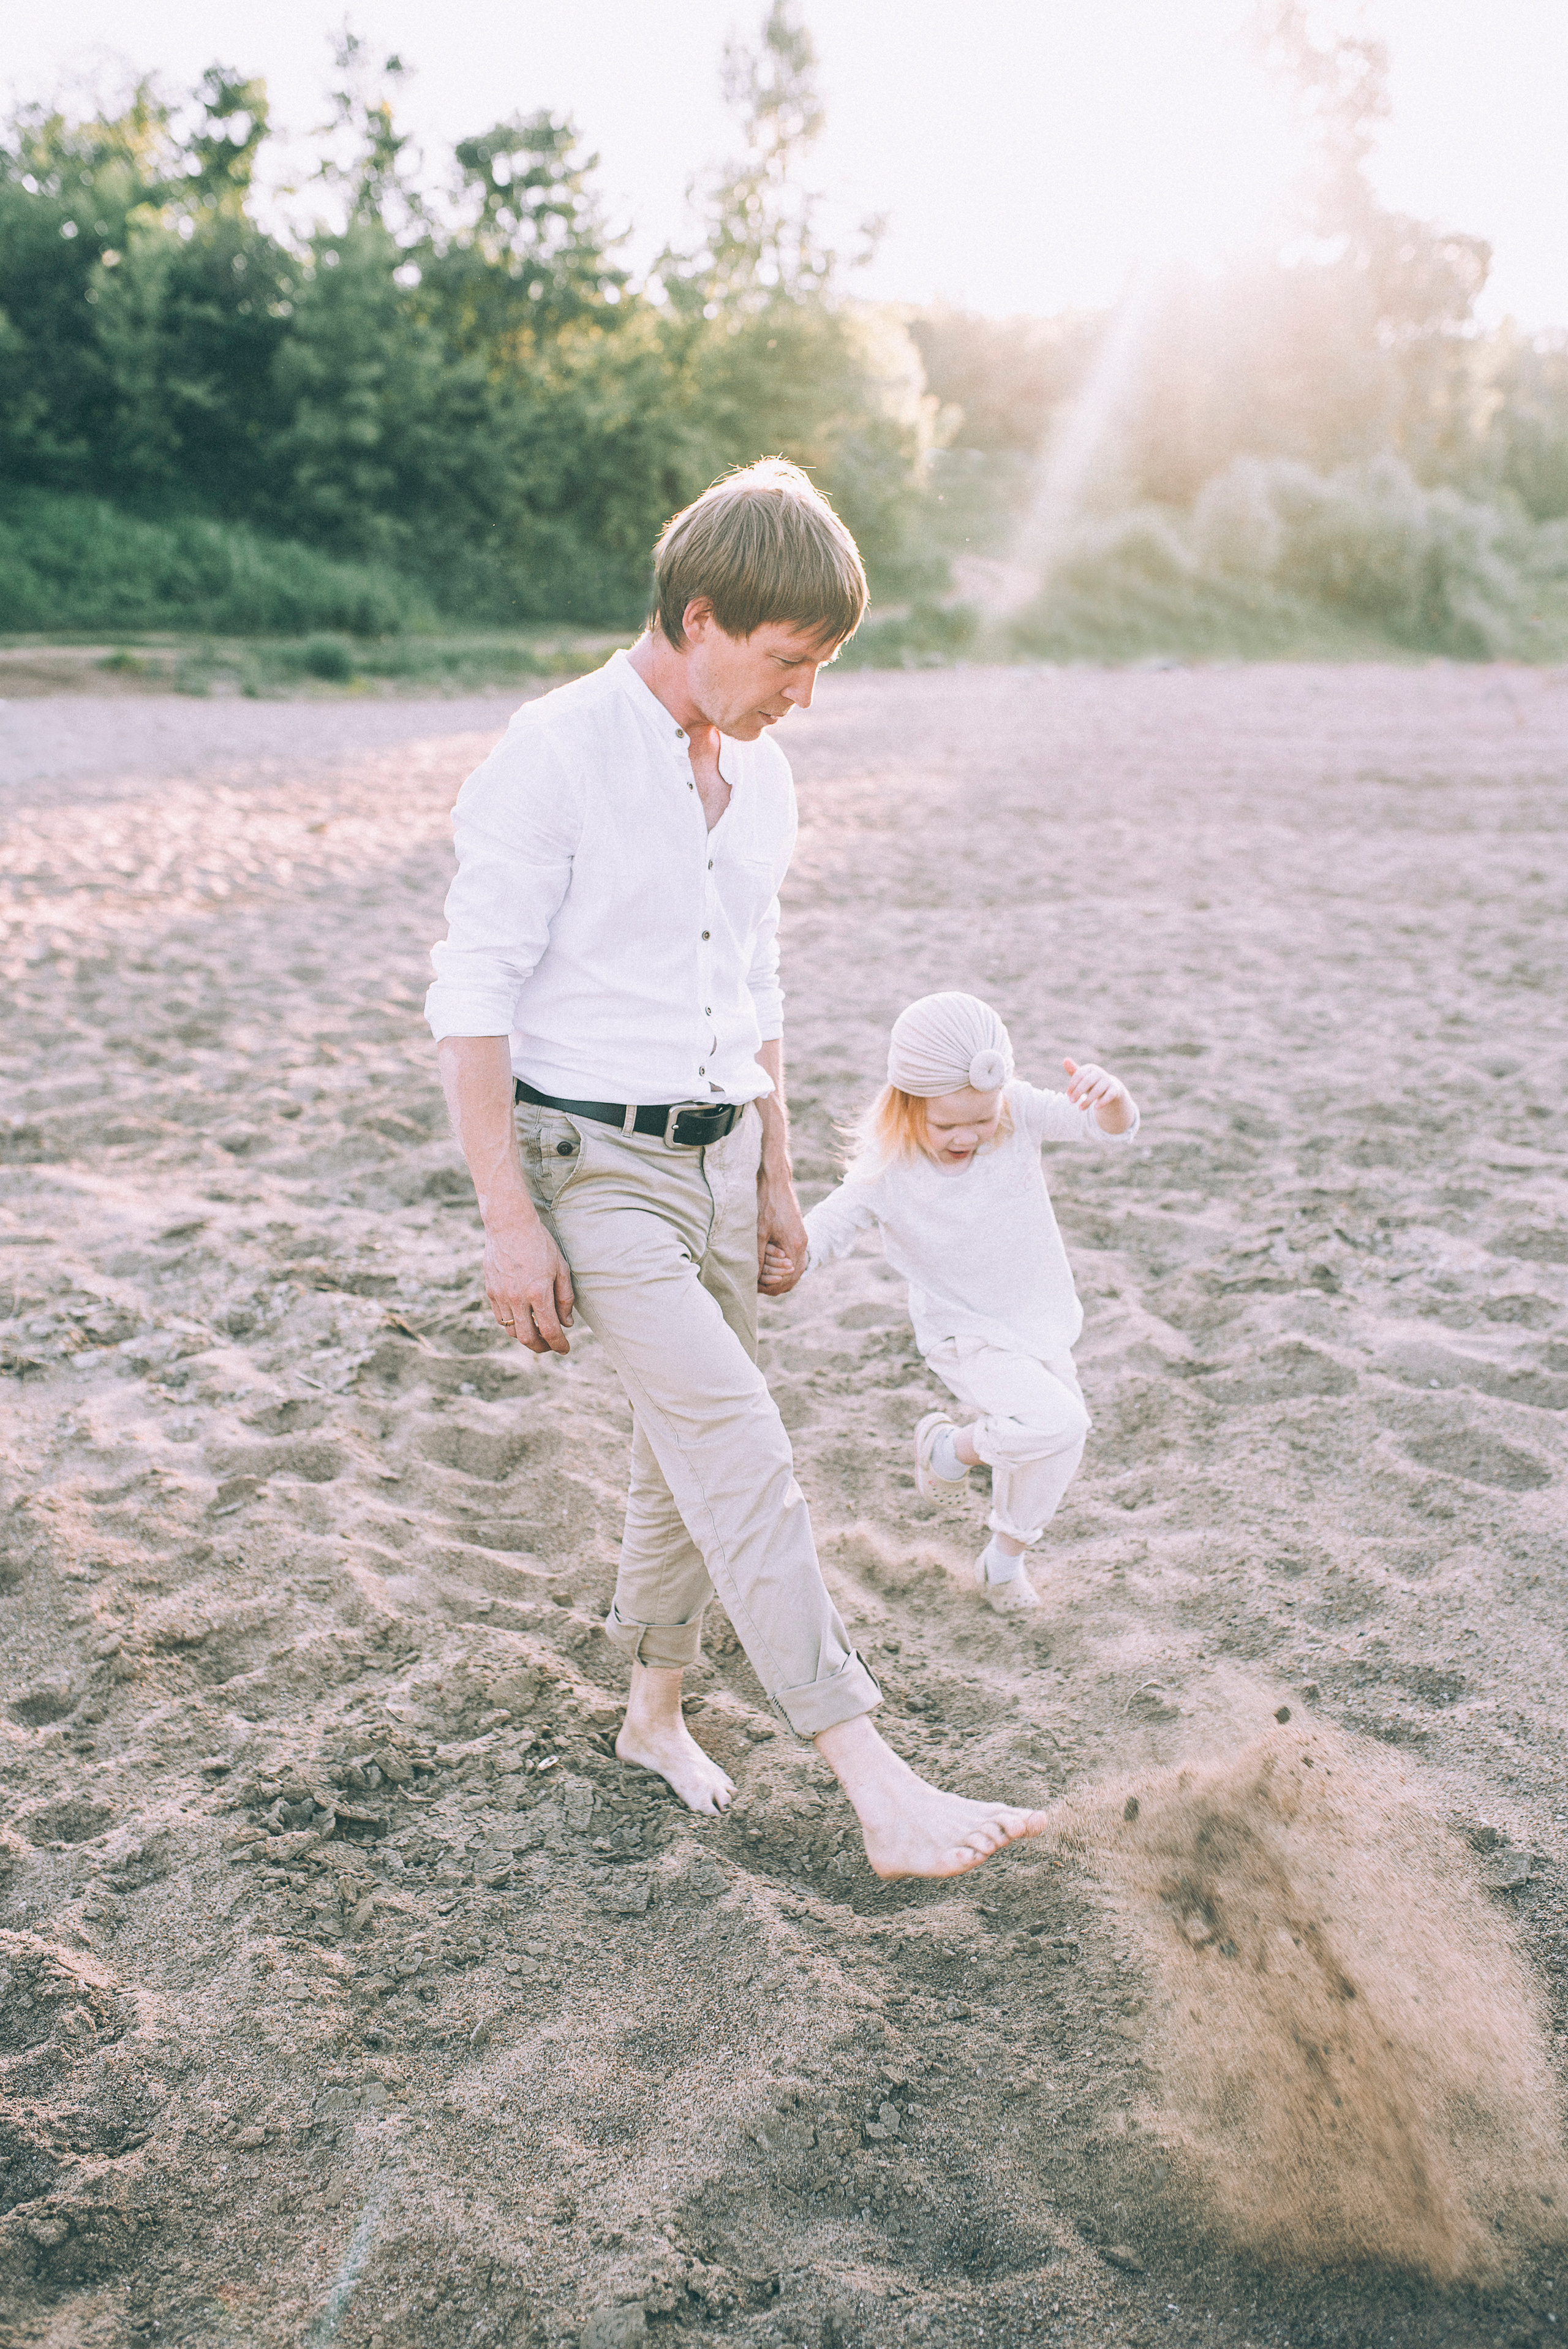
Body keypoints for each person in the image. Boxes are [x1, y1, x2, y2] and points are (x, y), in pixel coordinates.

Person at [424, 459, 1047, 1880]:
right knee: (741, 1445)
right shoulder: (553, 750)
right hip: (589, 1166)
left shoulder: (762, 777)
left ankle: (651, 1714)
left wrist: (775, 1178)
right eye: (787, 660)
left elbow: (752, 985)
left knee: (679, 1458)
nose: (803, 695)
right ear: (695, 616)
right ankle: (875, 1781)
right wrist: (507, 1221)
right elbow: (470, 999)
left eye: (822, 665)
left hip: (722, 1159)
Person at [787, 991, 1139, 1612]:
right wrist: (791, 1257)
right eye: (946, 1125)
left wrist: (1112, 1098)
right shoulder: (888, 1168)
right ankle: (948, 1451)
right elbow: (830, 1226)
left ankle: (1003, 1564)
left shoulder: (1019, 1114)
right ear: (905, 1105)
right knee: (1059, 1422)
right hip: (963, 1332)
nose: (967, 1136)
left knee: (1059, 1443)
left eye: (981, 1120)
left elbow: (1107, 1129)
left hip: (1037, 1318)